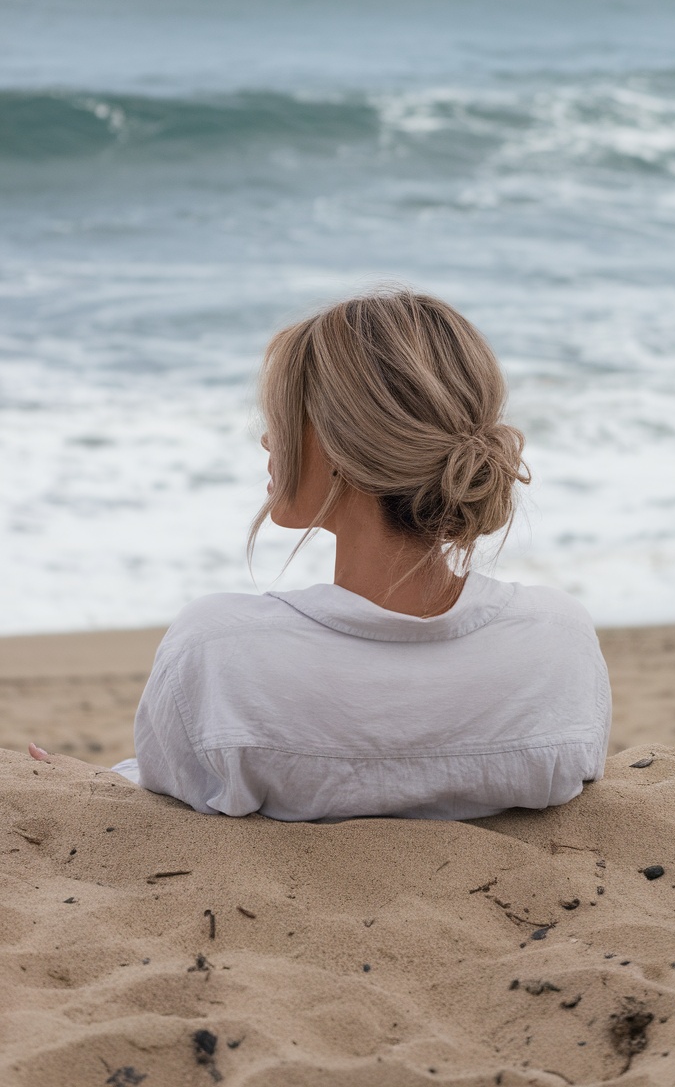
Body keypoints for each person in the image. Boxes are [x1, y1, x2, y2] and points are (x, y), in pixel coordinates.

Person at [33, 289, 611, 818]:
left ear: (336, 445)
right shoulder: (558, 642)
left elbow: (173, 786)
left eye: (283, 415)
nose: (267, 438)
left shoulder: (220, 650)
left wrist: (101, 783)